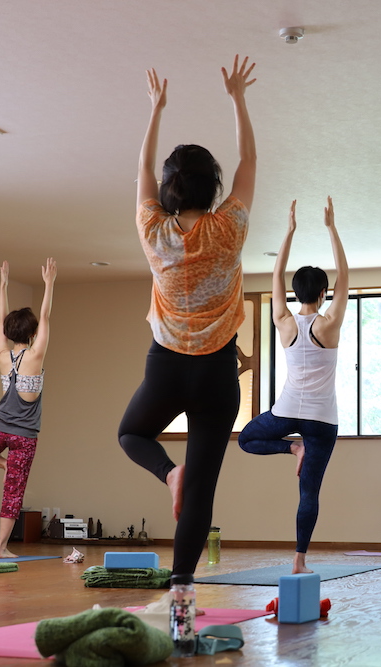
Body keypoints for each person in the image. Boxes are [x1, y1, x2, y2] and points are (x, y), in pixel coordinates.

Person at [118, 56, 256, 576]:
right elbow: (249, 160)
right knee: (203, 489)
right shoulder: (229, 229)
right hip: (218, 371)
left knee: (132, 434)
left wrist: (155, 110)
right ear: (213, 186)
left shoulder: (153, 230)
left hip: (167, 366)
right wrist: (238, 98)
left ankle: (168, 473)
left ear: (169, 187)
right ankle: (181, 587)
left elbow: (141, 172)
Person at [238, 197, 349, 574]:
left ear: (296, 293)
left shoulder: (283, 320)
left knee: (246, 439)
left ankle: (292, 448)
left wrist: (289, 232)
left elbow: (276, 275)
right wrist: (331, 228)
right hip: (322, 419)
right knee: (309, 493)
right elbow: (344, 275)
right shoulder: (329, 323)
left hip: (285, 412)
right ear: (323, 294)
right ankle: (299, 559)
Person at [0, 258, 56, 559]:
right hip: (24, 436)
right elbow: (45, 316)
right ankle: (1, 548)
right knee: (13, 491)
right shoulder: (35, 356)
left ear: (9, 334)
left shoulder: (1, 354)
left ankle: (5, 465)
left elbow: (1, 319)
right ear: (33, 335)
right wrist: (49, 284)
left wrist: (3, 285)